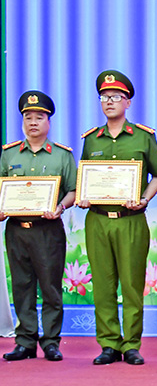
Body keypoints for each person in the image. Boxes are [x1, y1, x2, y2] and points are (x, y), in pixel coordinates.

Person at [78, 70, 157, 365]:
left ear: (127, 102)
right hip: (98, 219)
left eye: (116, 97)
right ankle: (108, 343)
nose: (109, 101)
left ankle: (131, 344)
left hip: (131, 219)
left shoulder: (143, 136)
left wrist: (145, 199)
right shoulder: (92, 139)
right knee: (103, 285)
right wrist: (84, 195)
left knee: (131, 284)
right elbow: (85, 178)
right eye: (104, 97)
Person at [1, 91, 77, 362]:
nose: (33, 122)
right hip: (16, 229)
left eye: (39, 117)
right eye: (28, 117)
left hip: (48, 230)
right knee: (22, 286)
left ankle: (51, 342)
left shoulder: (62, 155)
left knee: (50, 287)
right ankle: (25, 342)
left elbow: (73, 190)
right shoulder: (8, 154)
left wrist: (60, 207)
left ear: (49, 121)